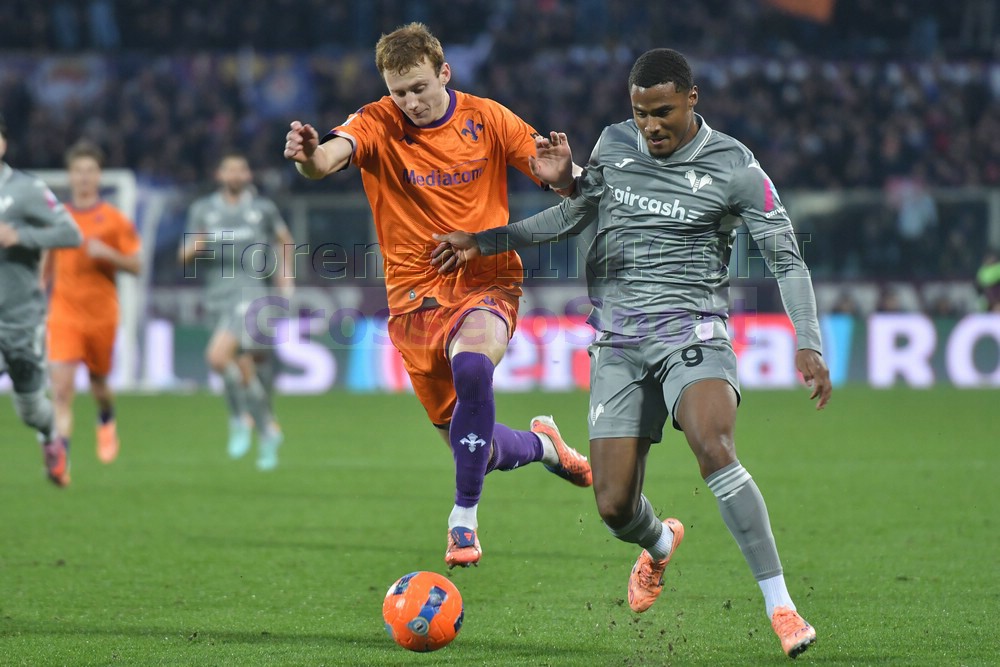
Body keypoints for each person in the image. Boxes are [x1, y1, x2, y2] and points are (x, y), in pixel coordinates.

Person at [431, 48, 832, 658]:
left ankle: (781, 606)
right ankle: (660, 544)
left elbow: (786, 257)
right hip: (618, 340)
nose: (650, 126)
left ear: (692, 99)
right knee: (615, 505)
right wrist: (487, 241)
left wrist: (807, 339)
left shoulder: (735, 165)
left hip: (693, 331)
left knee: (714, 446)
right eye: (641, 112)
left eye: (663, 112)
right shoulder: (614, 143)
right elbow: (574, 213)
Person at [283, 22, 593, 568]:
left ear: (444, 73)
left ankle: (462, 521)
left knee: (473, 365)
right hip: (413, 303)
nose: (411, 102)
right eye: (399, 91)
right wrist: (309, 157)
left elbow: (569, 182)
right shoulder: (377, 121)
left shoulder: (488, 119)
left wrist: (567, 177)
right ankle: (544, 445)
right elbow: (327, 159)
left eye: (420, 88)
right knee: (479, 449)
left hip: (487, 280)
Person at [179, 152, 293, 471]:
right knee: (243, 368)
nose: (235, 174)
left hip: (251, 293)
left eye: (241, 169)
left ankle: (238, 418)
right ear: (219, 175)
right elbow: (183, 256)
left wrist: (286, 279)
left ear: (248, 175)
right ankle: (268, 429)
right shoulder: (203, 210)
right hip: (216, 296)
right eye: (229, 169)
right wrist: (194, 248)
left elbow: (284, 239)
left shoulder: (262, 209)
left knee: (217, 357)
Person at [45, 140, 141, 465]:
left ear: (99, 176)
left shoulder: (114, 220)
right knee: (61, 392)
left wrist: (109, 254)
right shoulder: (56, 218)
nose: (84, 177)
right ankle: (60, 461)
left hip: (101, 316)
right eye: (78, 171)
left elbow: (137, 265)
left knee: (99, 384)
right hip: (63, 314)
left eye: (90, 170)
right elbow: (45, 266)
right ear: (69, 176)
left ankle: (106, 417)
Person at [0, 113, 83, 486]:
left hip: (19, 317)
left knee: (31, 409)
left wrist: (21, 237)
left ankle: (51, 438)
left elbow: (70, 234)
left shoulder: (26, 190)